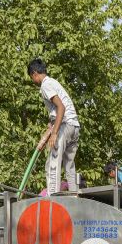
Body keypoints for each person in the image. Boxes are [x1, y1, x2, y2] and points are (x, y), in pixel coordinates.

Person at [29, 58, 80, 195]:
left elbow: (61, 108)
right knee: (69, 165)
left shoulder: (45, 85)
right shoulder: (54, 82)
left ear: (34, 74)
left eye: (31, 78)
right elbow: (56, 111)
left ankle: (52, 198)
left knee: (52, 163)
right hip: (74, 126)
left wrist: (55, 133)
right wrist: (49, 129)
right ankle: (74, 195)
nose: (33, 81)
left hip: (65, 125)